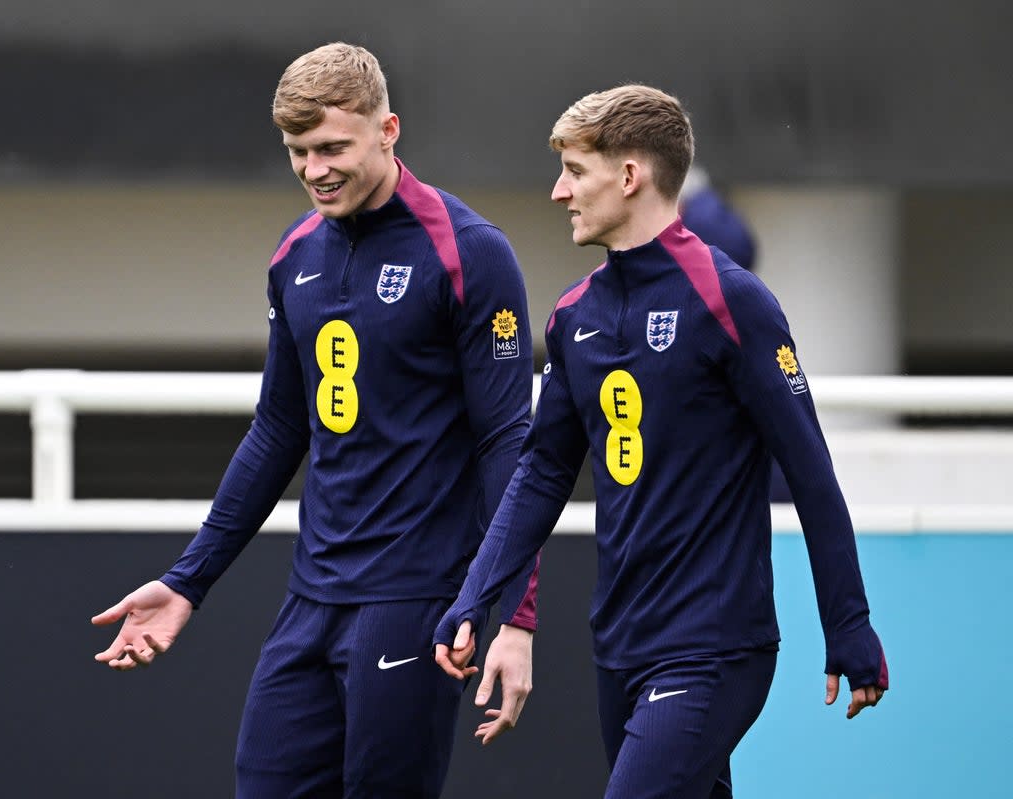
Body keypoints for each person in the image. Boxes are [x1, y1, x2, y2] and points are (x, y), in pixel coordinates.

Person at [92, 43, 539, 798]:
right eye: (298, 152)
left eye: (333, 147)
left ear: (388, 130)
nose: (314, 169)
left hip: (415, 602)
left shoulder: (470, 253)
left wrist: (515, 613)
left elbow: (509, 443)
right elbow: (277, 430)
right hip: (311, 598)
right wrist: (187, 581)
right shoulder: (294, 253)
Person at [433, 85, 888, 799]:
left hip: (714, 645)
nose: (559, 192)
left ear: (629, 175)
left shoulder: (730, 300)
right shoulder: (573, 315)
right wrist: (476, 594)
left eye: (575, 171)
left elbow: (811, 473)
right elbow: (542, 473)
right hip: (618, 646)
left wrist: (849, 623)